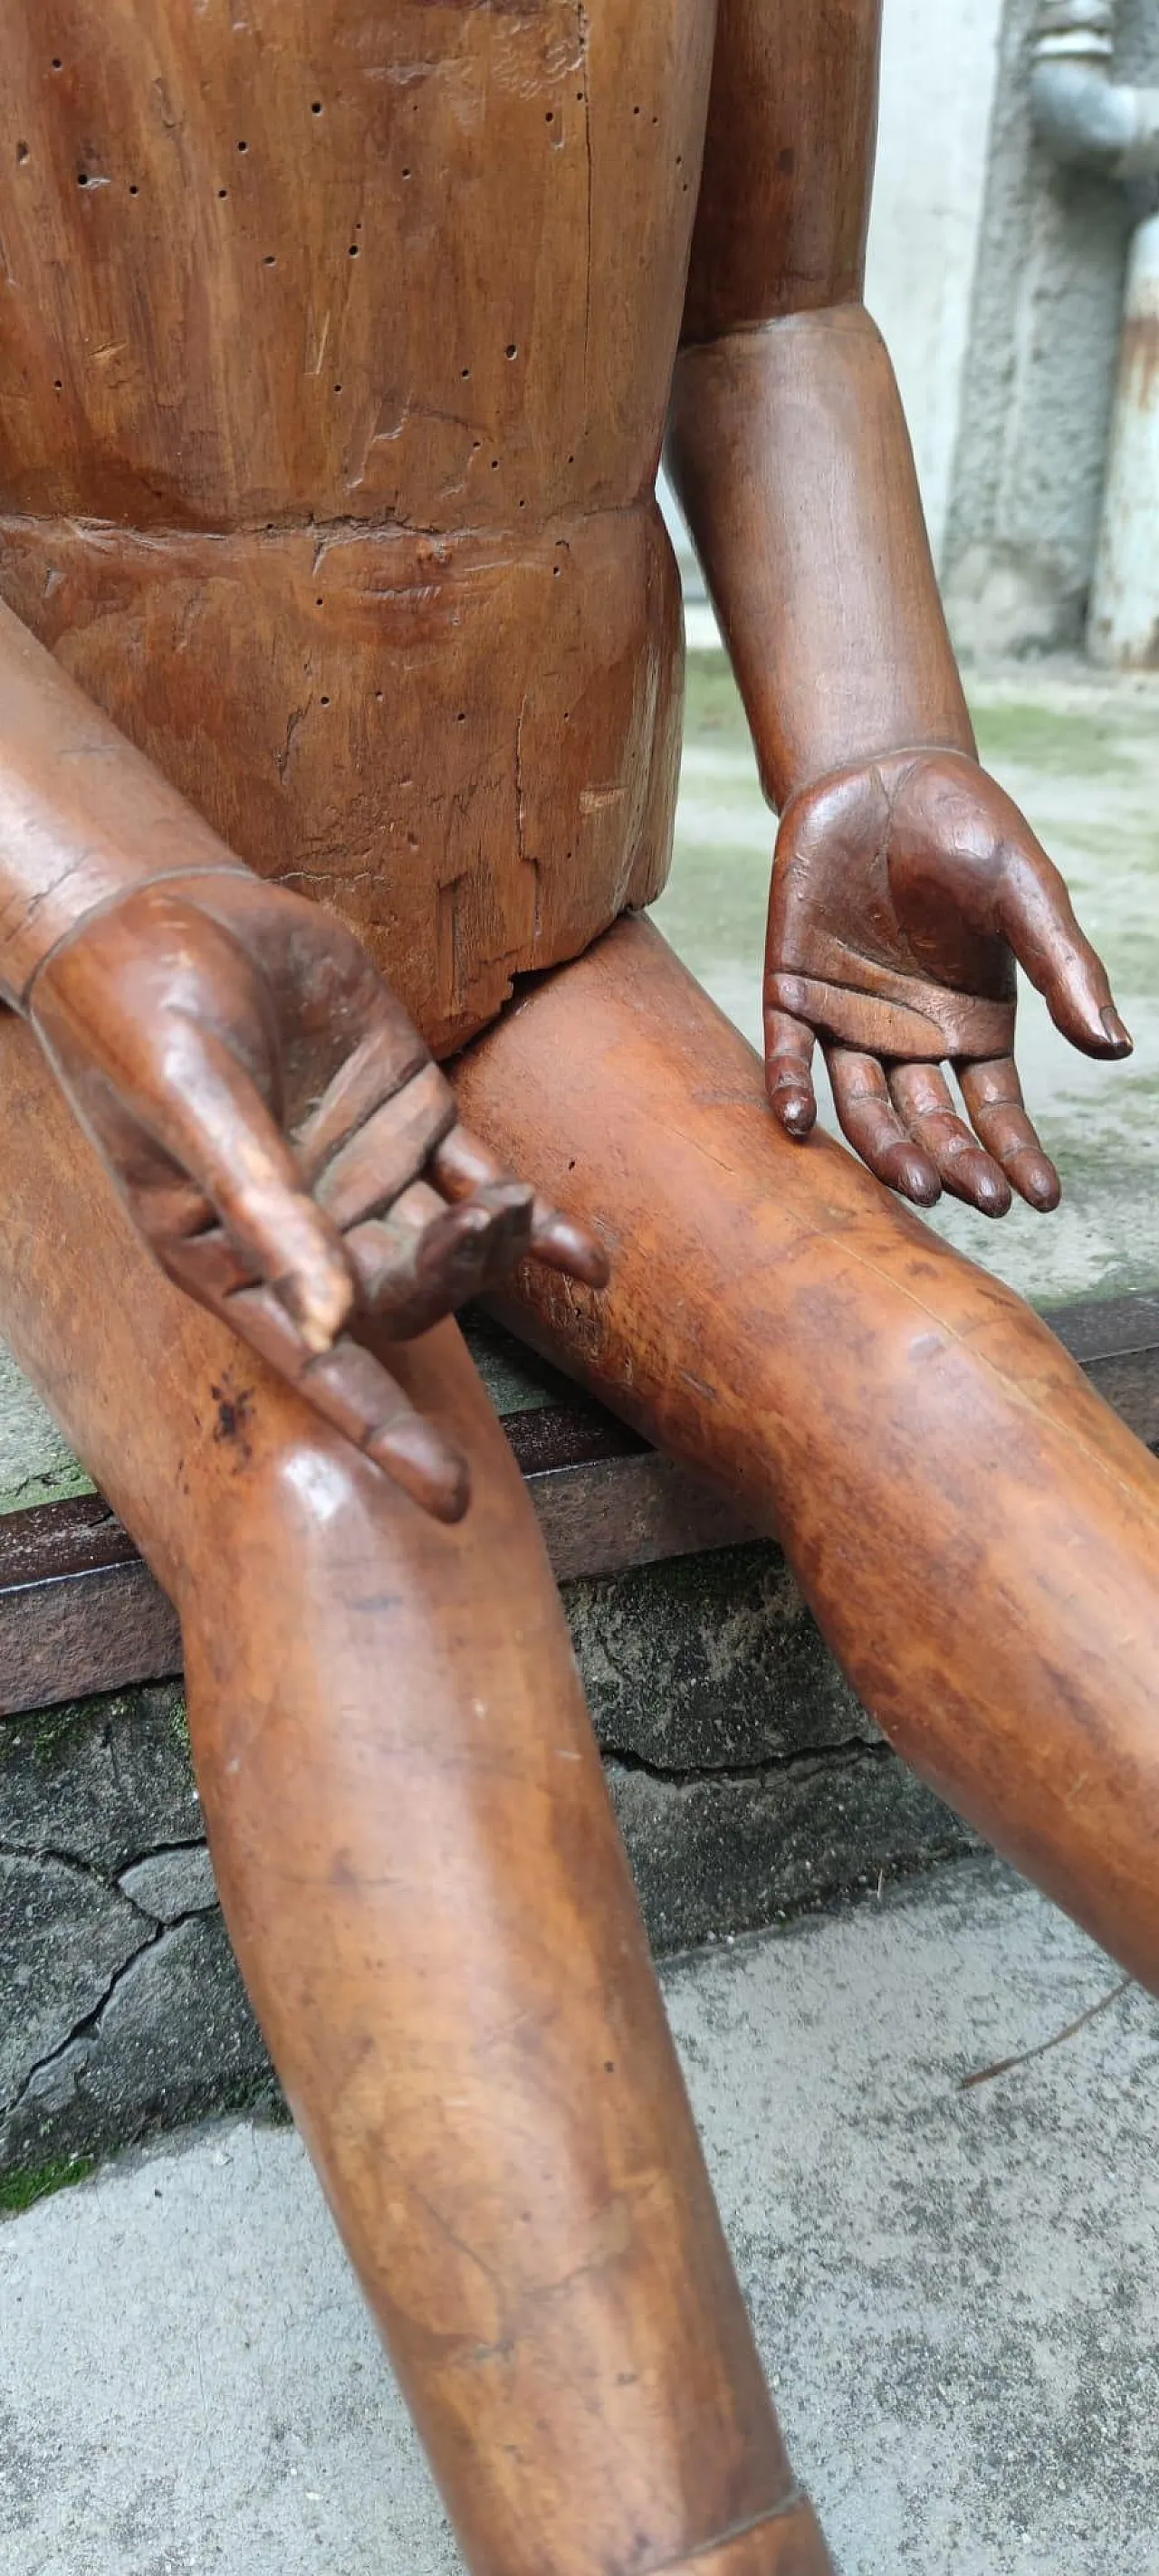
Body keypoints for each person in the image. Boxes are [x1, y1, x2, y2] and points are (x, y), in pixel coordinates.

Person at [2, 5, 1155, 2565]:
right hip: (79, 975)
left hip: (522, 896)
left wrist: (861, 741)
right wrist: (84, 903)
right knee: (362, 1513)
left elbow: (764, 307)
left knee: (922, 1378)